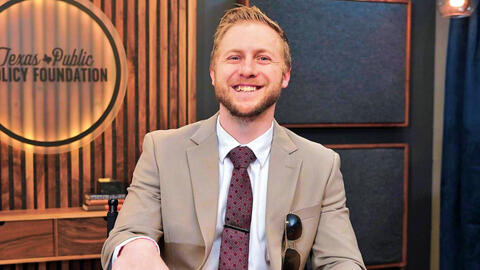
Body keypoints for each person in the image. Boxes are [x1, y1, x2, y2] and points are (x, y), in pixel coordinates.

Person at [102, 5, 366, 270]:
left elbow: (341, 260)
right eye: (234, 58)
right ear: (213, 73)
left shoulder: (321, 165)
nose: (248, 70)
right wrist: (139, 248)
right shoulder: (162, 151)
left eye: (263, 58)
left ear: (285, 75)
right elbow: (128, 235)